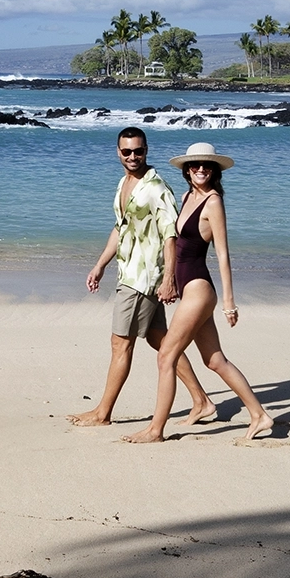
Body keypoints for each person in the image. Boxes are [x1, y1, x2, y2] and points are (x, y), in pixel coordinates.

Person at [122, 141, 276, 443]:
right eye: (195, 165)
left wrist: (229, 303)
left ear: (215, 170)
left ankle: (155, 430)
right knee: (215, 359)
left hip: (199, 289)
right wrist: (168, 280)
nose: (201, 169)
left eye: (207, 165)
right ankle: (259, 415)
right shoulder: (188, 195)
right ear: (187, 170)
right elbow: (177, 247)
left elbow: (222, 254)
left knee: (166, 355)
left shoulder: (214, 202)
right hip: (187, 287)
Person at [72, 127, 215, 428]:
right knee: (161, 341)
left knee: (119, 343)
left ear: (147, 150)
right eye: (127, 152)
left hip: (142, 278)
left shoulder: (157, 188)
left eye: (138, 151)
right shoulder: (124, 183)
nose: (133, 156)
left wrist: (168, 280)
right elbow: (120, 227)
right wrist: (100, 265)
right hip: (129, 271)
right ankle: (201, 401)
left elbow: (170, 236)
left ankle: (103, 413)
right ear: (118, 152)